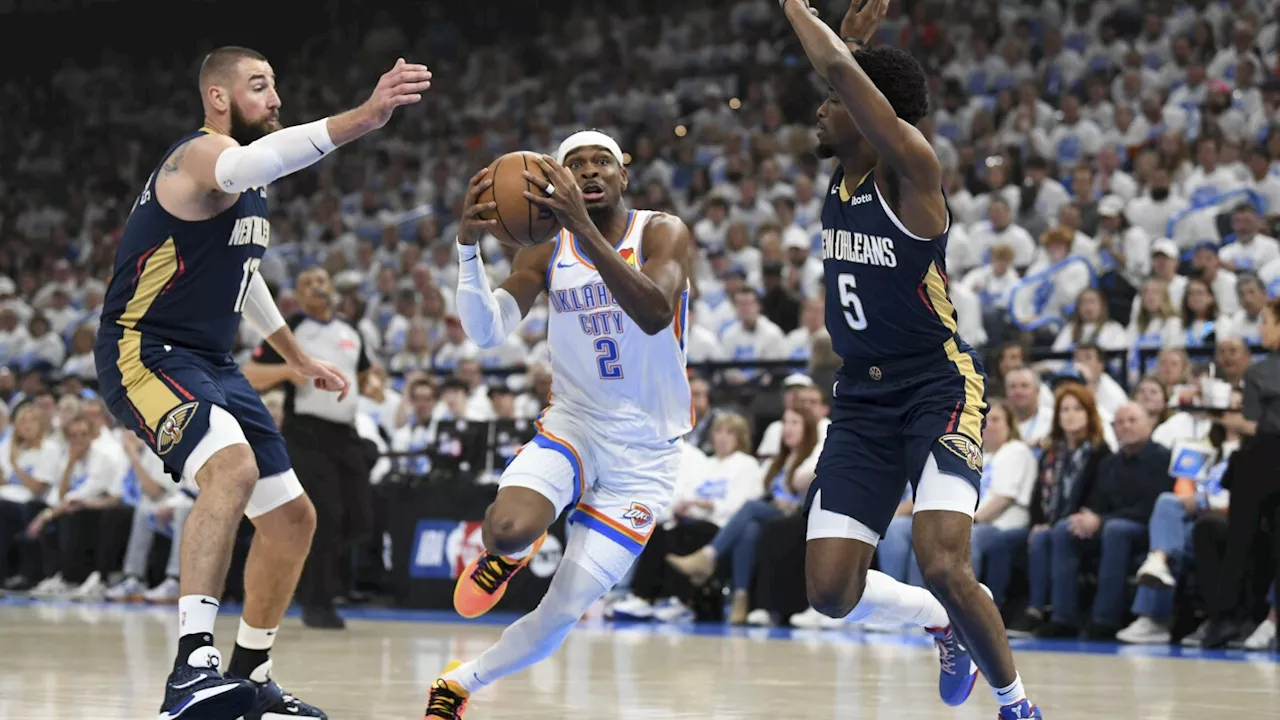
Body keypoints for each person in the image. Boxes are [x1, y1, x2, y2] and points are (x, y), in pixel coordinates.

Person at [91, 46, 430, 720]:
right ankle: (192, 668)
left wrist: (294, 355)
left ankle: (252, 678)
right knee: (231, 468)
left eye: (275, 85)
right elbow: (255, 160)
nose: (275, 99)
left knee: (292, 518)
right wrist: (365, 116)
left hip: (212, 361)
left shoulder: (246, 190)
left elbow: (245, 277)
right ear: (217, 97)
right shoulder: (199, 156)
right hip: (144, 349)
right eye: (258, 86)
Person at [781, 1, 1042, 717]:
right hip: (861, 400)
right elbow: (842, 77)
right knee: (830, 592)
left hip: (937, 384)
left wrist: (799, 12)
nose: (821, 112)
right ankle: (936, 622)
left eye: (835, 103)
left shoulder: (912, 171)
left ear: (871, 114)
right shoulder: (844, 170)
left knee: (945, 561)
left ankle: (1018, 705)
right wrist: (856, 45)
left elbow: (840, 72)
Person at [422, 129, 695, 719]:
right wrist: (468, 249)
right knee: (508, 528)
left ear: (624, 173)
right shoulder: (544, 250)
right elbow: (489, 331)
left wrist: (585, 231)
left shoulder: (661, 231)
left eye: (602, 162)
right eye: (576, 165)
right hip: (575, 423)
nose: (591, 172)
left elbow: (653, 312)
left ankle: (458, 683)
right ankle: (510, 553)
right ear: (558, 181)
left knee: (559, 615)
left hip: (646, 453)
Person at [243, 267, 383, 630]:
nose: (317, 287)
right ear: (299, 296)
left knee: (361, 518)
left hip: (346, 432)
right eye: (307, 283)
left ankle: (309, 575)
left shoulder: (350, 330)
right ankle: (317, 603)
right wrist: (287, 372)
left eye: (322, 280)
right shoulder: (291, 330)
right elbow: (249, 373)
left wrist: (373, 385)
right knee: (327, 516)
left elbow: (366, 374)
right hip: (306, 434)